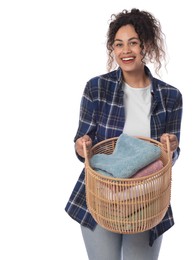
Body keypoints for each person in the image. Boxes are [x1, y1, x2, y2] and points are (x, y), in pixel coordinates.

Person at [65, 8, 183, 260]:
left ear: (146, 46)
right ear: (112, 49)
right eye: (118, 44)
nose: (125, 51)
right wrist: (81, 145)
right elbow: (82, 143)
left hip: (147, 200)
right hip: (100, 196)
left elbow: (169, 157)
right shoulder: (96, 88)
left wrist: (170, 147)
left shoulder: (170, 97)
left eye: (133, 43)